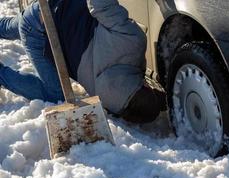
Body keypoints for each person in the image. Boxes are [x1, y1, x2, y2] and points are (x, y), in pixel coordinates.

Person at [0, 0, 166, 123]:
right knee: (22, 23)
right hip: (48, 18)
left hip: (44, 25)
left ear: (145, 86)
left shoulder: (132, 41)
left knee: (56, 96)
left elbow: (101, 5)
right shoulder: (111, 103)